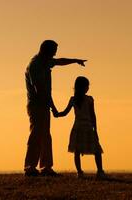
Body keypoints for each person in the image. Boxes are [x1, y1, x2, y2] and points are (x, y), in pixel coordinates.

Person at [24, 40, 86, 176]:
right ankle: (30, 167)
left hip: (44, 104)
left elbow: (60, 61)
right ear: (46, 50)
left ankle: (46, 167)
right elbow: (40, 90)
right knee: (36, 135)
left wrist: (75, 60)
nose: (55, 54)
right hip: (36, 105)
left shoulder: (45, 62)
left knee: (46, 136)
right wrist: (53, 107)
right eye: (53, 51)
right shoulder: (35, 65)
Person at [55, 76, 106, 179]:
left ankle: (83, 172)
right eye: (87, 86)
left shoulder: (82, 99)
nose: (88, 88)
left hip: (79, 127)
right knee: (94, 150)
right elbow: (93, 115)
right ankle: (96, 171)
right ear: (82, 87)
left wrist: (58, 114)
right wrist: (95, 129)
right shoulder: (85, 99)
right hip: (85, 127)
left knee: (79, 151)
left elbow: (65, 113)